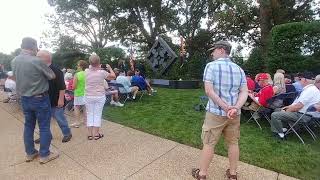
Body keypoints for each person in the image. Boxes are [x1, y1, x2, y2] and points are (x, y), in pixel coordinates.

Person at [192, 41, 248, 180]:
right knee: (233, 143)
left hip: (215, 113)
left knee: (209, 143)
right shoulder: (239, 69)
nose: (212, 53)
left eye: (214, 50)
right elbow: (244, 92)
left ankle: (202, 174)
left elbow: (208, 91)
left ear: (222, 50)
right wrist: (235, 107)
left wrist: (225, 107)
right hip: (235, 114)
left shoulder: (211, 66)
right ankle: (233, 174)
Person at [11, 37, 58, 164]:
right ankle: (44, 155)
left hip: (24, 99)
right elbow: (52, 76)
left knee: (28, 126)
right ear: (33, 46)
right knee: (43, 127)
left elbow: (15, 76)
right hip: (40, 98)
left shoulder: (14, 60)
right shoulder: (36, 60)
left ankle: (30, 153)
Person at [35, 50, 72, 143]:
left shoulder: (56, 70)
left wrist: (60, 100)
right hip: (43, 100)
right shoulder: (40, 69)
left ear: (46, 58)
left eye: (39, 57)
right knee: (43, 121)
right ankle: (46, 136)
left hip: (55, 100)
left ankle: (67, 134)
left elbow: (62, 87)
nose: (36, 58)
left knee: (60, 119)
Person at [270, 72, 320, 140]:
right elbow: (297, 104)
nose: (299, 81)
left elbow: (298, 106)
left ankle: (279, 134)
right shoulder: (312, 89)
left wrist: (286, 110)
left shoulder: (310, 90)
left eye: (300, 79)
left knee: (275, 115)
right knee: (278, 110)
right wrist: (286, 107)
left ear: (304, 79)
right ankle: (285, 128)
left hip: (303, 116)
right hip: (307, 115)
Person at [85, 54, 115, 140]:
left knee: (90, 114)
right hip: (99, 96)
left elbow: (91, 67)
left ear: (90, 63)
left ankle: (90, 134)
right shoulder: (102, 72)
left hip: (88, 96)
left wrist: (95, 66)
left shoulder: (86, 71)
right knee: (97, 114)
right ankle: (96, 134)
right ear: (99, 63)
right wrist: (109, 68)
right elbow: (113, 76)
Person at [70, 60, 88, 128]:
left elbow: (74, 86)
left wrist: (72, 87)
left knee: (77, 107)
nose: (77, 66)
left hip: (79, 93)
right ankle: (86, 121)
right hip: (86, 93)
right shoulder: (88, 74)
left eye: (78, 65)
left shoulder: (77, 74)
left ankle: (77, 122)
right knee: (85, 107)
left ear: (81, 66)